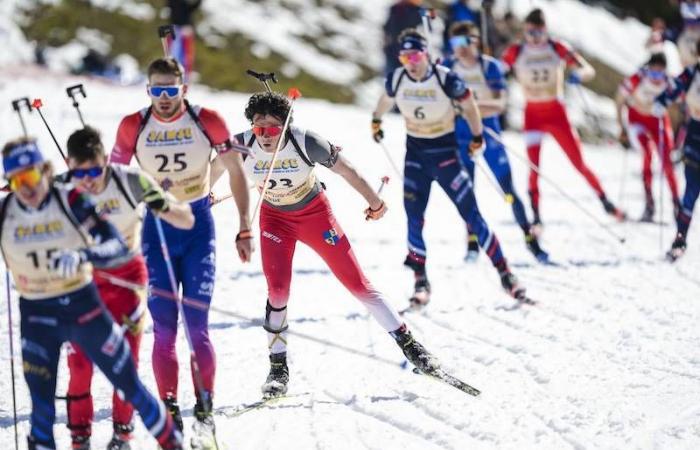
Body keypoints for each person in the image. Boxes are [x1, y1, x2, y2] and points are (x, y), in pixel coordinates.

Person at [234, 91, 439, 397]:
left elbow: (348, 170)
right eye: (259, 128)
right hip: (275, 220)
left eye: (273, 129)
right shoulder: (241, 144)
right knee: (277, 291)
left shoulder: (305, 141)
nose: (265, 136)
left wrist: (374, 201)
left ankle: (412, 347)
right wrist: (202, 197)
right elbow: (212, 170)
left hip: (315, 215)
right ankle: (278, 369)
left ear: (286, 126)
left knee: (357, 283)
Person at [0, 138, 183, 450]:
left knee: (130, 386)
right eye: (16, 181)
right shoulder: (6, 212)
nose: (26, 188)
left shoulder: (71, 200)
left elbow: (117, 246)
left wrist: (85, 255)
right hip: (37, 316)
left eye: (30, 177)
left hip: (83, 309)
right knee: (42, 410)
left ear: (45, 171)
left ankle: (172, 443)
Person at [111, 57, 253, 446]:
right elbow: (112, 183)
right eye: (157, 90)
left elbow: (236, 172)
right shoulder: (132, 125)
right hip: (156, 232)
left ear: (183, 89)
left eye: (171, 90)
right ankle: (170, 414)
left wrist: (244, 227)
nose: (164, 98)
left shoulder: (207, 119)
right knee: (164, 330)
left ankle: (205, 416)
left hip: (197, 228)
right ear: (148, 90)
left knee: (198, 327)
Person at [372, 28, 527, 307]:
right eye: (405, 57)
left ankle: (507, 275)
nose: (412, 62)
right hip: (416, 158)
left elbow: (469, 105)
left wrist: (478, 135)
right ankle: (420, 281)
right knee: (414, 219)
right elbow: (386, 98)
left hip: (446, 157)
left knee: (472, 216)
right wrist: (376, 120)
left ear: (426, 54)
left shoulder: (444, 78)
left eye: (416, 55)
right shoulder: (397, 77)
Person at [60, 126, 194, 450]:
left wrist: (170, 208)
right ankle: (80, 440)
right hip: (83, 283)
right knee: (79, 365)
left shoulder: (131, 180)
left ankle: (122, 434)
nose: (89, 180)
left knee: (125, 362)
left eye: (95, 170)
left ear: (105, 160)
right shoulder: (59, 190)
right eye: (80, 172)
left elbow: (184, 218)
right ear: (69, 165)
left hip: (127, 280)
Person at [501, 8, 625, 229]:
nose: (535, 38)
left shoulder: (556, 47)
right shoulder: (516, 51)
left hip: (557, 114)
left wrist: (579, 74)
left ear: (545, 31)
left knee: (579, 163)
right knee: (534, 167)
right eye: (530, 33)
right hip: (533, 116)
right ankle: (536, 217)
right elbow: (497, 71)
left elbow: (587, 69)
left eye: (539, 33)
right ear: (524, 31)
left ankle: (605, 201)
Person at [443, 21, 548, 263]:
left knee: (508, 190)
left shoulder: (489, 67)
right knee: (467, 191)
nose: (458, 48)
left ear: (475, 41)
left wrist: (468, 106)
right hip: (462, 137)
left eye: (463, 42)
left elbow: (499, 104)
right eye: (453, 43)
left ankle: (530, 238)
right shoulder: (448, 66)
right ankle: (471, 242)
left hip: (489, 135)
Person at [616, 53, 680, 222]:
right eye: (653, 72)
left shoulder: (669, 81)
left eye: (660, 73)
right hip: (638, 121)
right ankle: (649, 204)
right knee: (647, 153)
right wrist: (620, 125)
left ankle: (676, 204)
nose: (656, 77)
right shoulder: (638, 78)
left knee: (667, 162)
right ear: (648, 68)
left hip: (658, 121)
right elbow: (620, 98)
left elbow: (683, 101)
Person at [654, 39, 700, 262]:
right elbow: (673, 88)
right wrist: (662, 100)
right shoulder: (691, 73)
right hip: (695, 136)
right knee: (690, 191)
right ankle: (679, 239)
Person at [383, 0, 424, 75]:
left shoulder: (421, 10)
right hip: (396, 50)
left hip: (412, 51)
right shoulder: (396, 9)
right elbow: (387, 29)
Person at [167, 0, 202, 83]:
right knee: (177, 54)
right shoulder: (177, 3)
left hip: (182, 28)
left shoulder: (179, 3)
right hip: (179, 28)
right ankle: (175, 76)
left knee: (185, 56)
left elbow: (191, 8)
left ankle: (183, 77)